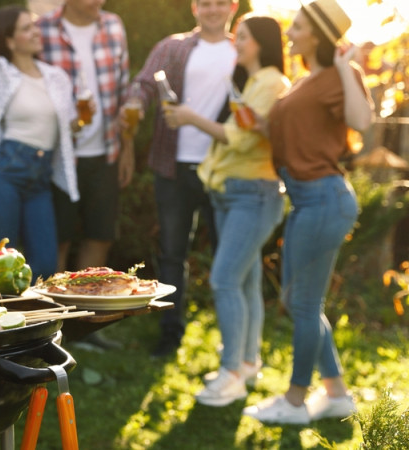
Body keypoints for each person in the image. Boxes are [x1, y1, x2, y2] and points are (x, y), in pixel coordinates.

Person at [242, 0, 373, 424]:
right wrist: (258, 124)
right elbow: (295, 130)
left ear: (316, 34)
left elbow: (362, 121)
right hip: (306, 198)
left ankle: (296, 401)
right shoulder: (306, 80)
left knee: (302, 303)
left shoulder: (340, 75)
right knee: (300, 301)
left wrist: (349, 67)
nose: (289, 32)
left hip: (324, 198)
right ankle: (335, 393)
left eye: (296, 26)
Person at [163, 14, 290, 406]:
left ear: (263, 43)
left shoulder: (271, 82)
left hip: (252, 195)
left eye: (245, 37)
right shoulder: (251, 81)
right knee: (246, 281)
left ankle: (231, 374)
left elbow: (237, 138)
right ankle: (248, 362)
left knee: (224, 280)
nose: (238, 42)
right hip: (232, 194)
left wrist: (188, 117)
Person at [130, 0, 239, 357]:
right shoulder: (172, 47)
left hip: (222, 168)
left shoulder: (242, 49)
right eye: (205, 3)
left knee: (228, 257)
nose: (213, 9)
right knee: (173, 255)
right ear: (195, 8)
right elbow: (144, 84)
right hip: (173, 167)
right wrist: (134, 105)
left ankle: (232, 341)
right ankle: (169, 334)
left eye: (220, 3)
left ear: (233, 7)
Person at [0, 0, 80, 280]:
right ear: (9, 41)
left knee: (46, 264)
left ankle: (38, 322)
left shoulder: (56, 77)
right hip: (4, 172)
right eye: (26, 28)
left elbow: (68, 127)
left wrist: (82, 118)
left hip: (40, 178)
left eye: (34, 25)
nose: (36, 31)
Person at [36, 0, 134, 273]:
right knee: (58, 241)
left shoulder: (114, 25)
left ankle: (83, 313)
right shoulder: (42, 29)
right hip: (58, 157)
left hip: (106, 152)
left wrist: (127, 148)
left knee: (100, 236)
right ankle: (56, 313)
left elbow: (123, 91)